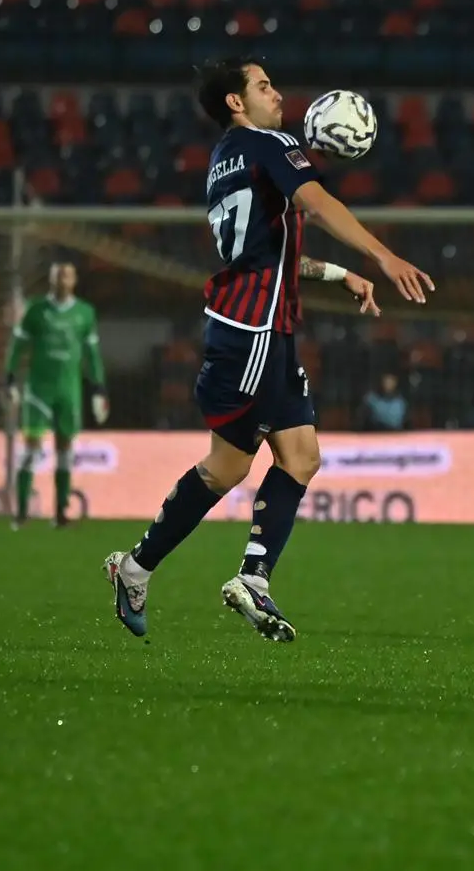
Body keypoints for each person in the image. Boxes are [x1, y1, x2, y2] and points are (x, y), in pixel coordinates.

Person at [103, 56, 433, 641]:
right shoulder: (268, 144)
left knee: (299, 456)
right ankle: (158, 567)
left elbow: (267, 253)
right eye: (263, 86)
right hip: (252, 331)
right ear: (236, 102)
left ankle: (224, 575)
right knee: (227, 466)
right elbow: (318, 203)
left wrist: (339, 276)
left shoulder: (224, 159)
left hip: (257, 328)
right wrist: (382, 256)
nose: (277, 95)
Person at [4, 261, 108, 528]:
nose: (63, 279)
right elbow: (19, 345)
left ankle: (61, 513)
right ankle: (22, 512)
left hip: (69, 390)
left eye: (67, 274)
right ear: (51, 278)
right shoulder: (36, 310)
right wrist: (10, 377)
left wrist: (98, 386)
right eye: (58, 274)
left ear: (74, 280)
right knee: (32, 448)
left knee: (64, 449)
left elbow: (92, 354)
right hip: (38, 390)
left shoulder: (85, 313)